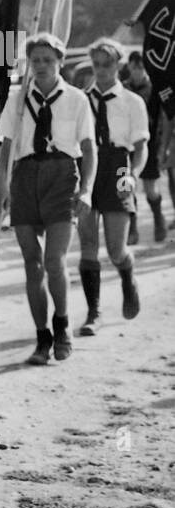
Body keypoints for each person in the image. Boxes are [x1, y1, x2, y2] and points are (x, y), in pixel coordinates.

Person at [0, 32, 96, 365]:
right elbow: (6, 145)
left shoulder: (77, 99)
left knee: (54, 261)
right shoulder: (17, 99)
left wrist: (87, 190)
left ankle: (62, 325)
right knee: (31, 264)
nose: (41, 66)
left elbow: (90, 150)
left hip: (62, 177)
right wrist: (0, 185)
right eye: (35, 60)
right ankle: (42, 337)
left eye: (47, 60)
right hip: (24, 177)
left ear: (60, 62)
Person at [76, 40, 148, 334]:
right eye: (97, 65)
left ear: (118, 66)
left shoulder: (133, 102)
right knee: (88, 244)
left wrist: (133, 175)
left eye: (108, 65)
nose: (102, 71)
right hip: (87, 166)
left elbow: (141, 147)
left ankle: (127, 276)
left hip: (119, 165)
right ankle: (94, 312)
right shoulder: (80, 100)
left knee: (116, 248)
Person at [125, 49, 171, 243]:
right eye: (134, 67)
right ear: (129, 67)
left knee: (151, 187)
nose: (137, 71)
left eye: (141, 67)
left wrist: (164, 147)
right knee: (126, 187)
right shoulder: (122, 89)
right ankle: (131, 228)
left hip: (150, 143)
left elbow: (166, 117)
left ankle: (158, 218)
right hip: (125, 146)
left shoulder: (156, 88)